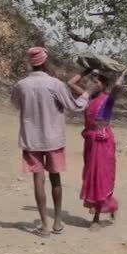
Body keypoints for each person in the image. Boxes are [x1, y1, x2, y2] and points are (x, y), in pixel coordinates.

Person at [11, 47, 94, 238]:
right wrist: (86, 94)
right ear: (45, 62)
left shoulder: (21, 85)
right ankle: (57, 221)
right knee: (55, 178)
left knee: (38, 180)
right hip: (53, 139)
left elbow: (16, 104)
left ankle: (44, 225)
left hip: (31, 139)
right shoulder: (55, 84)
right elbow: (73, 106)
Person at [68, 69, 127, 231]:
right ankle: (110, 206)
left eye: (96, 82)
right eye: (91, 81)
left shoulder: (108, 99)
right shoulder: (87, 98)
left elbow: (116, 88)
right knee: (90, 177)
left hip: (103, 142)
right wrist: (86, 69)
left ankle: (96, 219)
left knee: (101, 179)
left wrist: (122, 75)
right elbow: (70, 83)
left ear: (104, 84)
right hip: (90, 142)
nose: (92, 84)